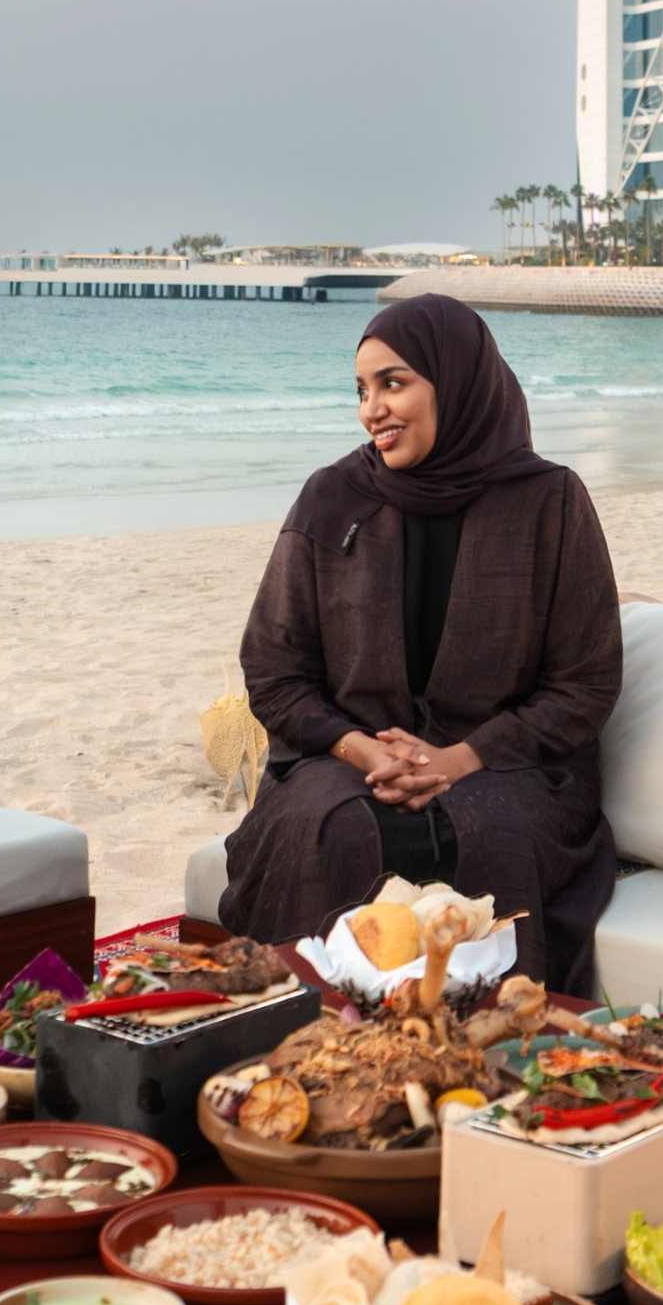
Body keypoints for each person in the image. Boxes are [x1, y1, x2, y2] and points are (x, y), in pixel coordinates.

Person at [218, 294, 622, 990]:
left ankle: (494, 1045)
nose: (371, 407)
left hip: (508, 765)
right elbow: (275, 669)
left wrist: (463, 757)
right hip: (345, 756)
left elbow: (584, 685)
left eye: (394, 383)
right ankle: (317, 1033)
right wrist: (363, 749)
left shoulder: (549, 502)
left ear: (458, 382)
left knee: (492, 838)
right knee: (337, 828)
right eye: (361, 389)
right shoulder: (332, 496)